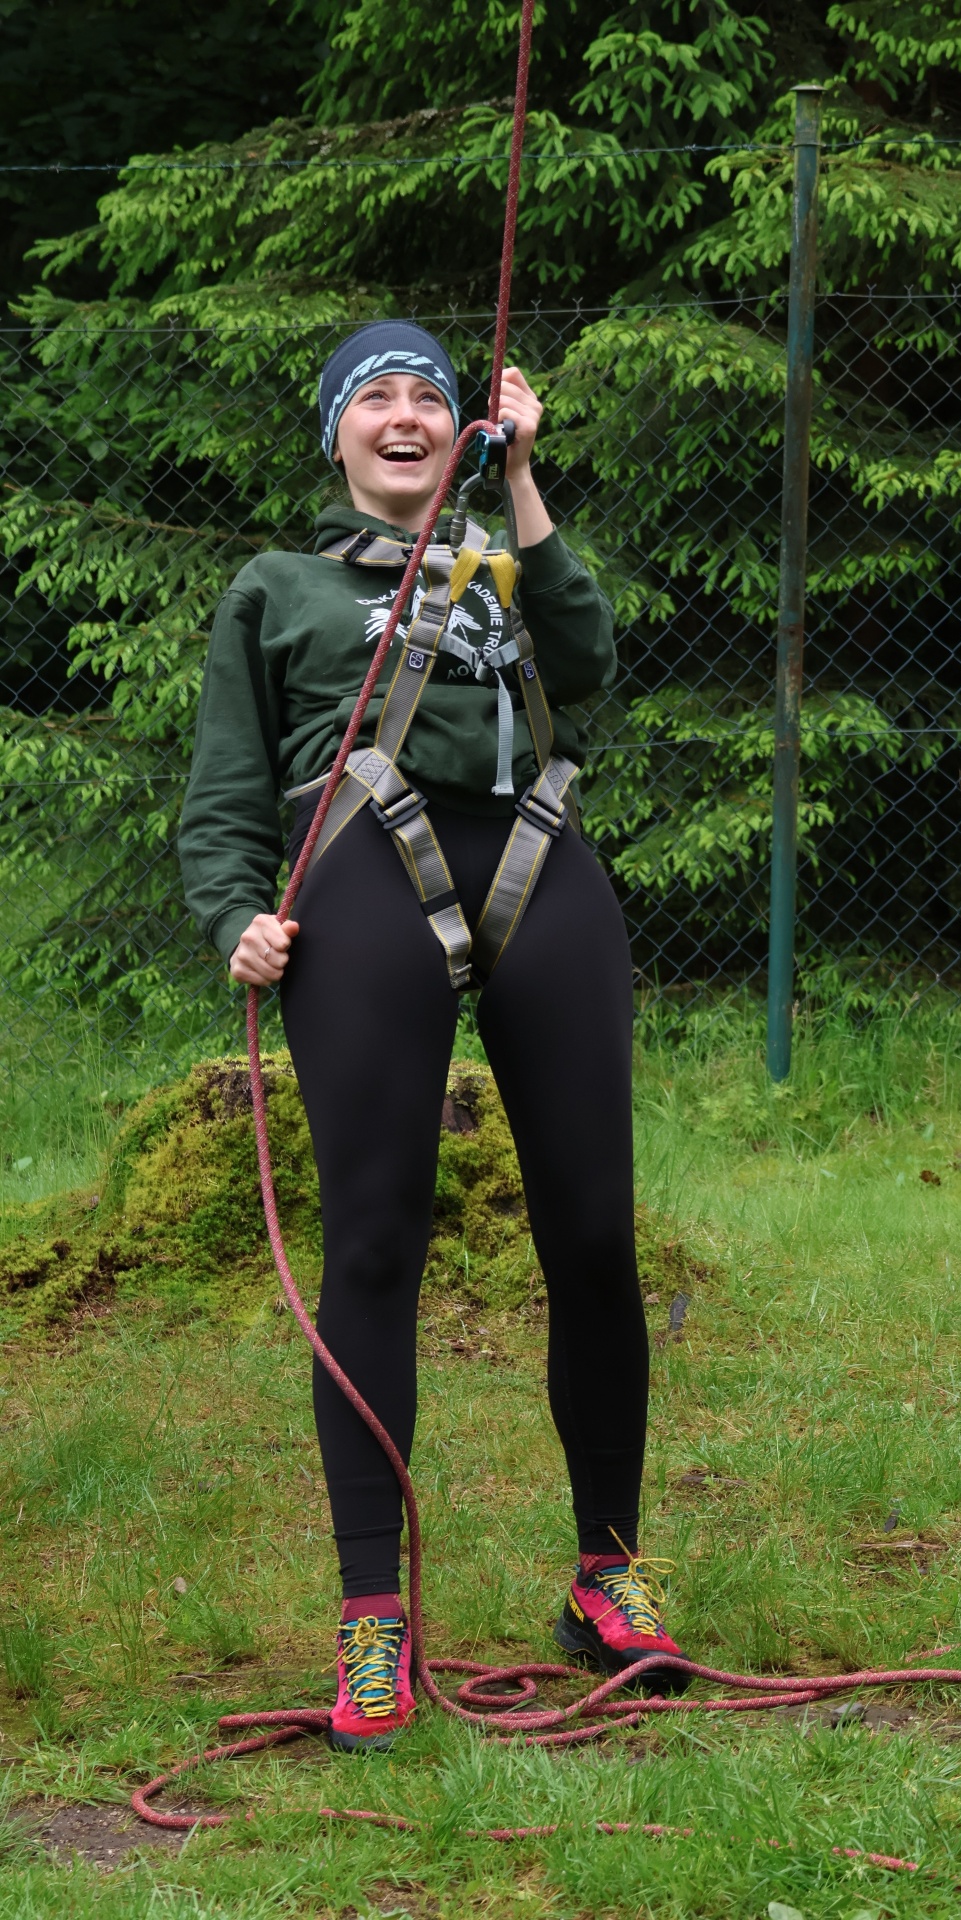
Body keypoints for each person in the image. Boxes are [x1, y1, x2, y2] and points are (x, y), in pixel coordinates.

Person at [178, 320, 686, 1751]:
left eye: (428, 399)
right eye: (375, 400)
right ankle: (371, 1619)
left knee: (594, 1229)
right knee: (375, 1240)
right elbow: (224, 790)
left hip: (538, 862)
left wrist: (520, 480)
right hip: (358, 874)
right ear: (337, 435)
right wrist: (236, 916)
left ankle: (607, 1575)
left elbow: (589, 662)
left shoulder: (507, 563)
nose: (402, 417)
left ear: (460, 430)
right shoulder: (277, 589)